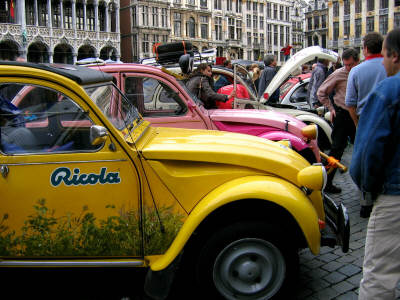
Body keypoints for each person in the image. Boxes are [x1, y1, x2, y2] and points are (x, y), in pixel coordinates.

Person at [350, 28, 400, 300]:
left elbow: (367, 151)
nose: (382, 63)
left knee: (380, 275)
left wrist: (367, 189)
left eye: (384, 57)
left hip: (394, 196)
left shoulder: (388, 90)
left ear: (394, 55)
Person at [345, 32, 387, 218]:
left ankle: (366, 202)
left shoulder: (356, 71)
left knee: (363, 161)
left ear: (366, 49)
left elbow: (350, 103)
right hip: (389, 119)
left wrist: (357, 124)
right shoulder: (391, 67)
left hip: (365, 121)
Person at [317, 48, 359, 194]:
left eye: (351, 65)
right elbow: (321, 92)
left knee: (361, 149)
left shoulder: (361, 73)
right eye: (346, 65)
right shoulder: (339, 73)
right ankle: (325, 182)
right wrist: (331, 108)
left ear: (357, 61)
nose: (348, 68)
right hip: (343, 115)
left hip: (359, 116)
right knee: (336, 150)